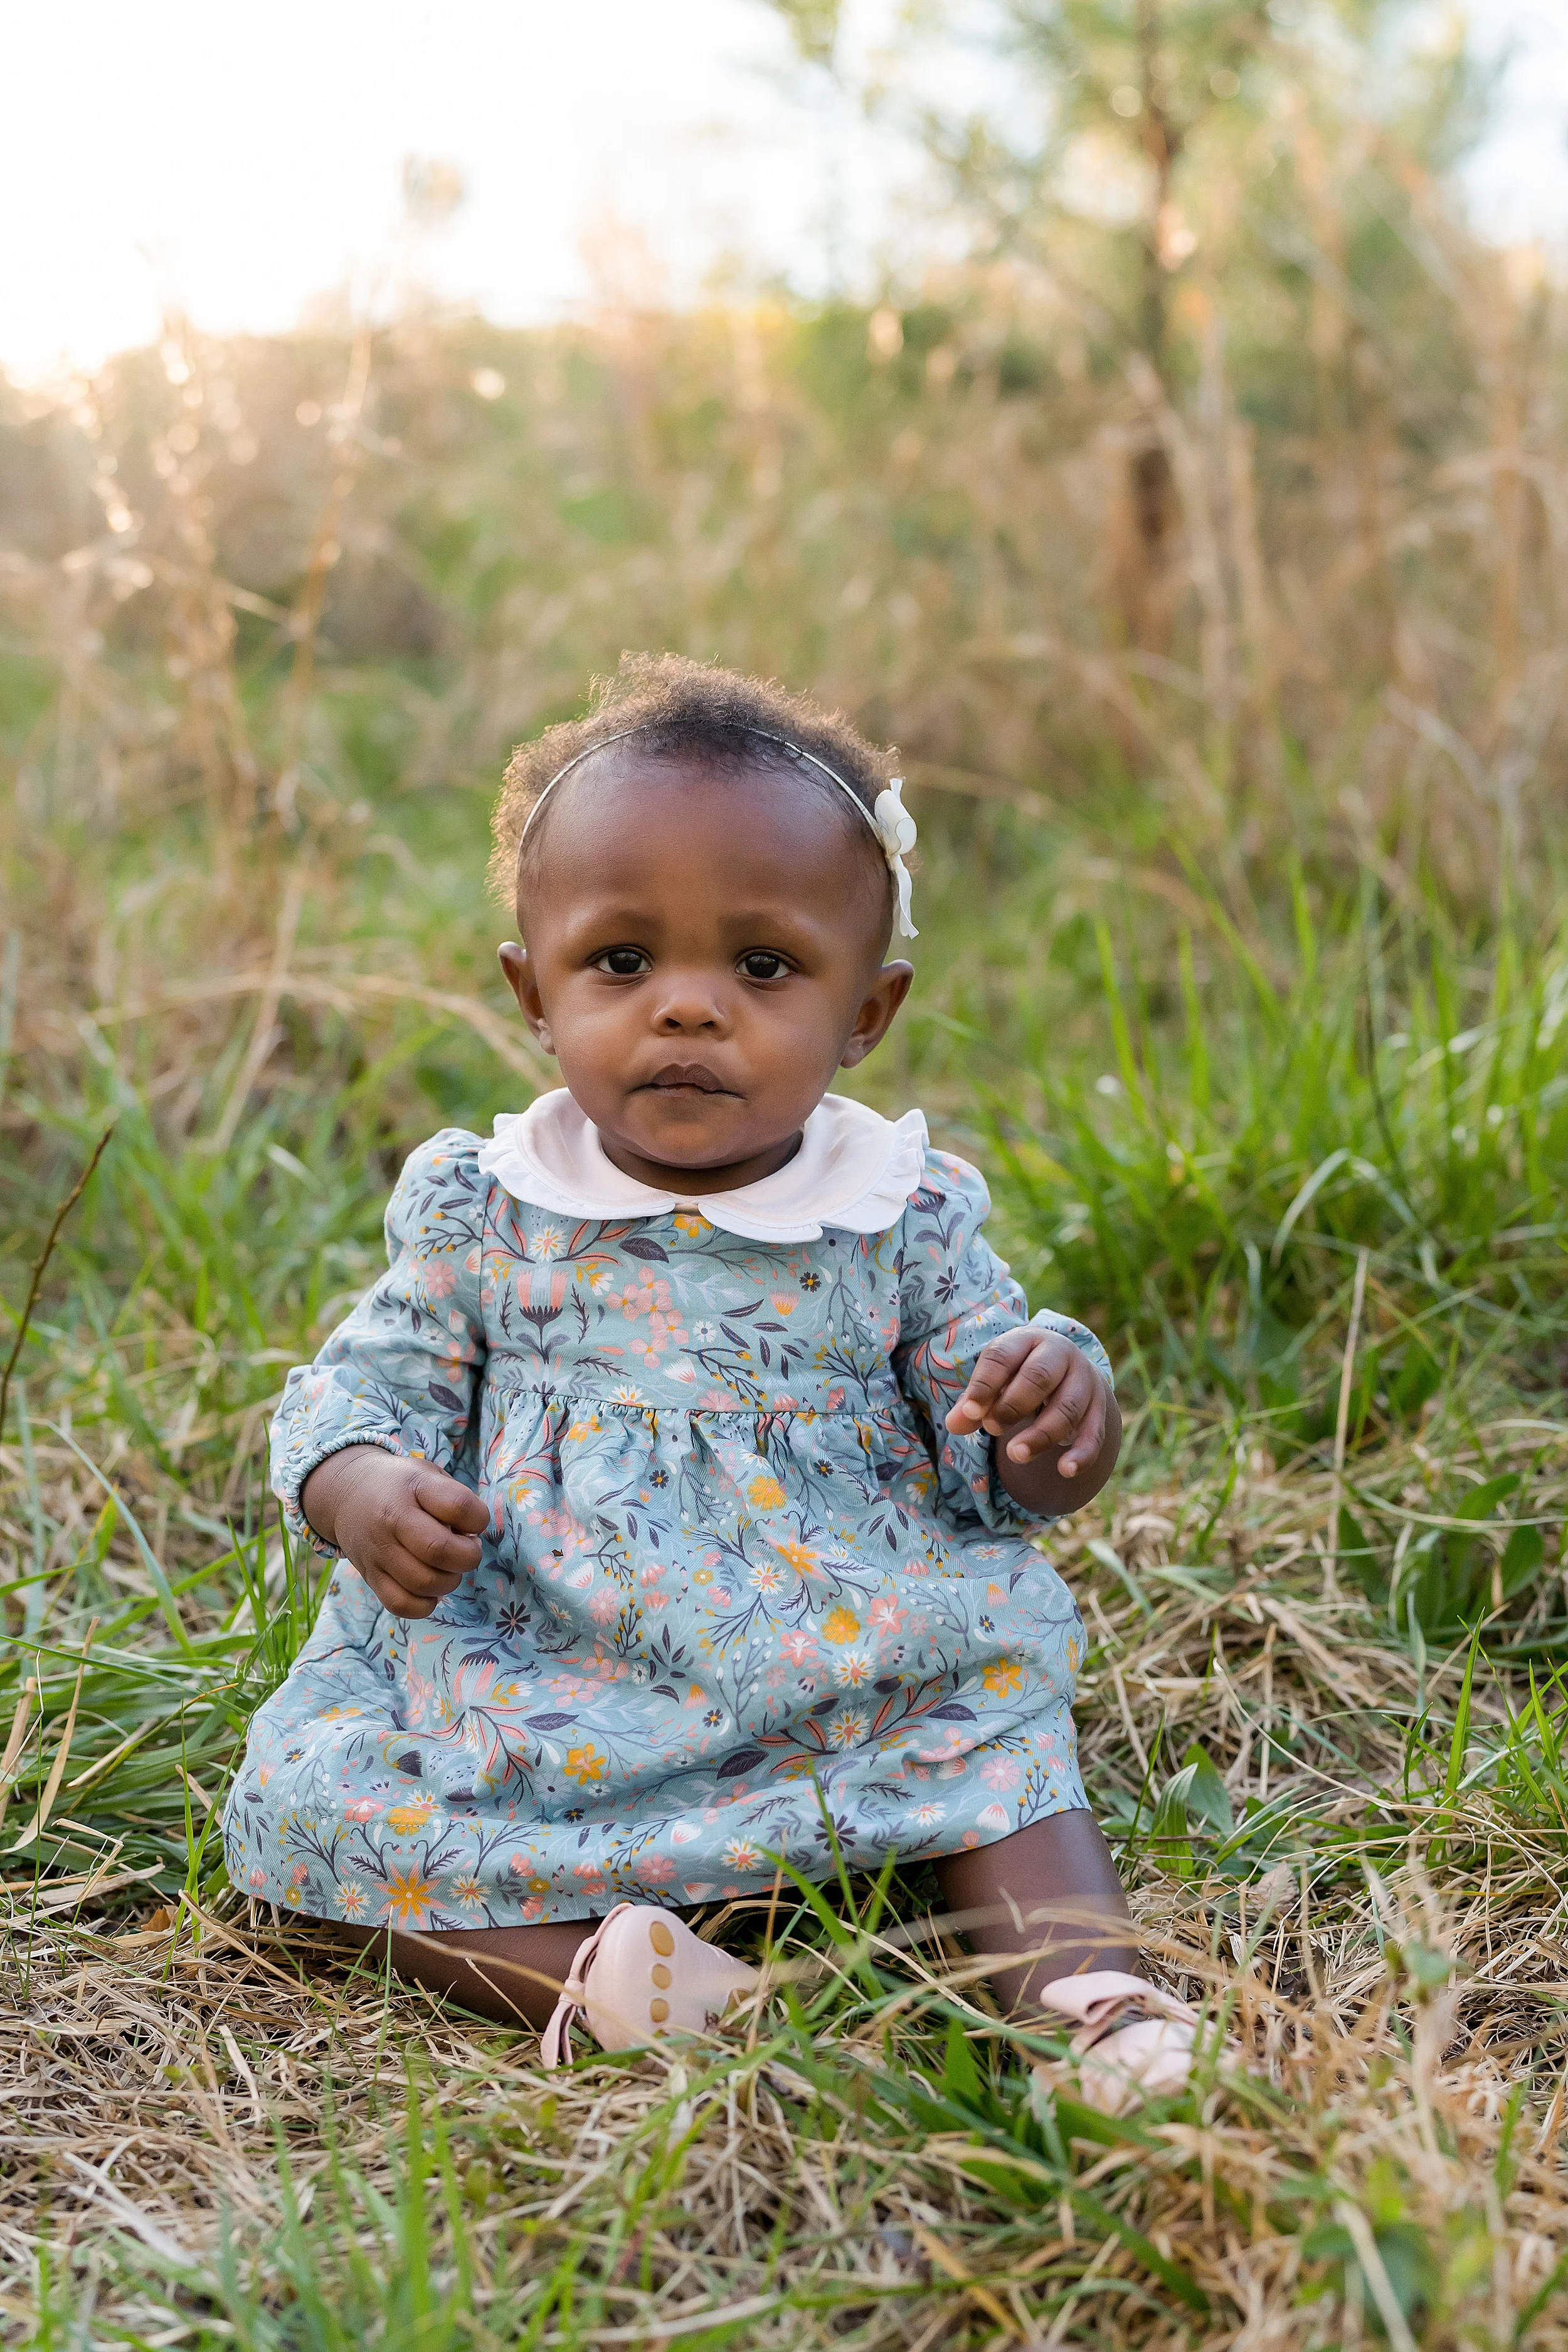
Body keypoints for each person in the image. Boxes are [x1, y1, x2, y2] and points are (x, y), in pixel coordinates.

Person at [221, 653, 1195, 2101]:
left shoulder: (899, 1217)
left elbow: (1007, 1466)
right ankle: (618, 1981)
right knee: (308, 1818)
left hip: (846, 1667)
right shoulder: (480, 1209)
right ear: (533, 994)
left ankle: (1091, 2002)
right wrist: (361, 1484)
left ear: (865, 1012)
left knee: (992, 1731)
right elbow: (363, 1388)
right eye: (621, 962)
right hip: (542, 1673)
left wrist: (1059, 1413)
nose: (687, 1008)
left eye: (761, 966)